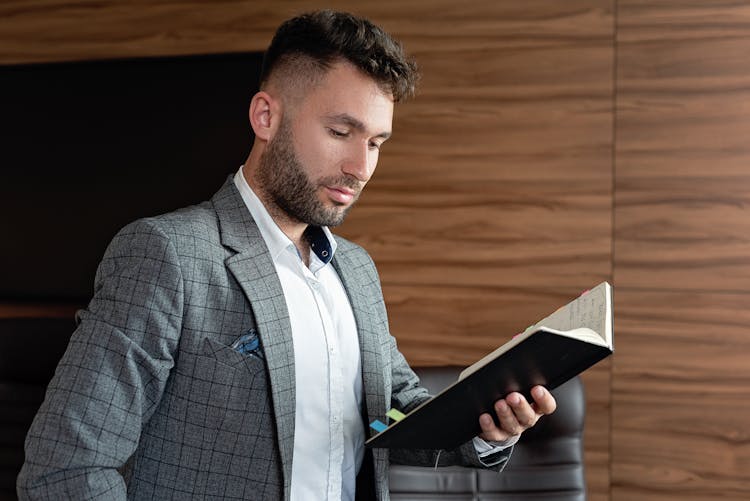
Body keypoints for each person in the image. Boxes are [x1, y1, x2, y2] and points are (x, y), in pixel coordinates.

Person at [18, 10, 556, 501]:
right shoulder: (169, 256)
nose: (360, 167)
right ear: (265, 116)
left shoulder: (357, 270)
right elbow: (66, 469)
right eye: (341, 132)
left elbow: (389, 415)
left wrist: (487, 423)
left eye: (376, 143)